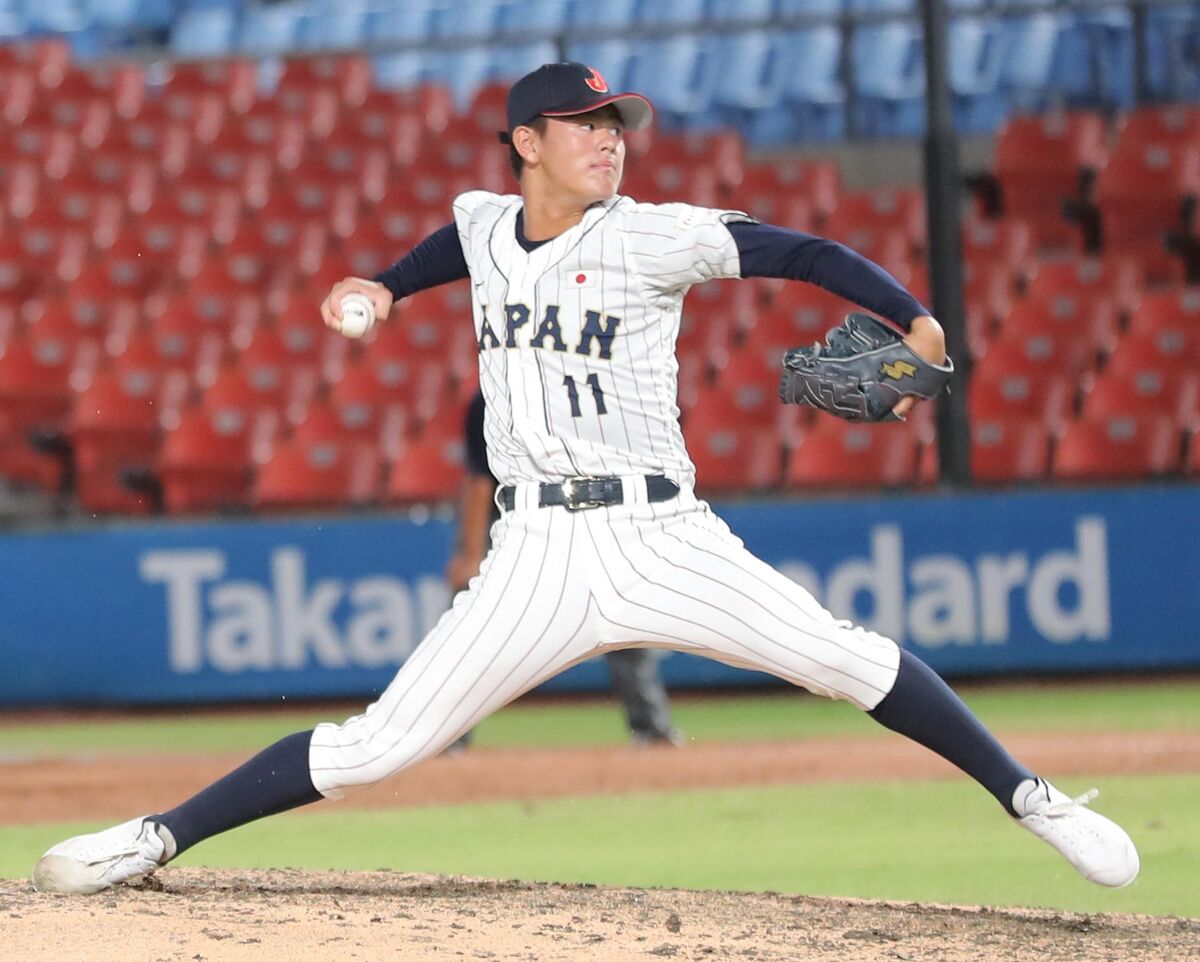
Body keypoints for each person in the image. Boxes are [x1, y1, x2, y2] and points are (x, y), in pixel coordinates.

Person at [33, 62, 1139, 896]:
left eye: (618, 127)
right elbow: (436, 256)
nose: (612, 142)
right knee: (376, 744)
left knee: (841, 656)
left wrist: (918, 316)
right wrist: (371, 288)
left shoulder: (654, 236)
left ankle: (1032, 796)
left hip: (664, 533)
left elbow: (802, 253)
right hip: (537, 555)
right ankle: (157, 836)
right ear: (527, 141)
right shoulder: (481, 220)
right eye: (588, 126)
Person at [446, 389, 681, 750]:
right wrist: (472, 552)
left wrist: (472, 554)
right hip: (542, 519)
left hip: (549, 519)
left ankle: (448, 737)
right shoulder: (568, 390)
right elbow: (480, 482)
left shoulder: (495, 397)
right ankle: (652, 727)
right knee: (621, 616)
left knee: (473, 624)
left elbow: (479, 483)